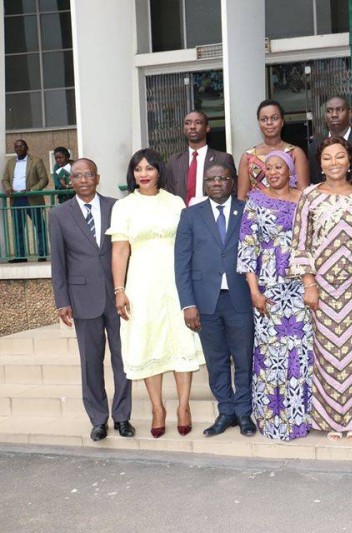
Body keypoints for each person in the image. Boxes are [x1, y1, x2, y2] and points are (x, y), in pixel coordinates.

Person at [108, 148, 205, 439]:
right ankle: (157, 408)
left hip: (176, 282)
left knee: (180, 340)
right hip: (142, 282)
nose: (144, 174)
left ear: (159, 171)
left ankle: (184, 407)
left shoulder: (175, 202)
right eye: (138, 169)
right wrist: (119, 290)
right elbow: (120, 250)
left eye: (149, 168)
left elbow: (190, 245)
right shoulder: (124, 207)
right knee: (150, 341)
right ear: (132, 174)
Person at [290, 137, 352, 442]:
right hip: (323, 289)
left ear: (349, 160)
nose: (333, 163)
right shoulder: (309, 197)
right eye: (327, 158)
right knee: (328, 354)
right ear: (320, 163)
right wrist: (309, 284)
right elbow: (300, 243)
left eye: (339, 156)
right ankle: (331, 420)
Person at [48, 158, 134, 442]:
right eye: (77, 176)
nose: (83, 180)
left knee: (123, 359)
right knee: (91, 362)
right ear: (70, 181)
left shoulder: (116, 207)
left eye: (88, 175)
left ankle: (122, 417)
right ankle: (98, 419)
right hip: (82, 297)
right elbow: (58, 262)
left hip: (117, 294)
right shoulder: (59, 214)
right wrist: (62, 300)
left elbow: (126, 250)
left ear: (98, 178)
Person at [175, 162, 256, 438]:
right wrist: (188, 304)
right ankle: (226, 411)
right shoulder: (190, 216)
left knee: (244, 358)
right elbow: (181, 263)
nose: (217, 183)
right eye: (211, 179)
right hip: (205, 301)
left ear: (232, 182)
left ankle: (245, 413)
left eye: (222, 178)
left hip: (240, 298)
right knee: (216, 360)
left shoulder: (247, 211)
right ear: (204, 184)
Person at [237, 151, 314, 441]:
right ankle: (273, 418)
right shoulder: (255, 200)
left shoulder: (304, 198)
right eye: (268, 168)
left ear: (290, 169)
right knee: (272, 353)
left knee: (302, 350)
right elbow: (247, 248)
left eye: (278, 166)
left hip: (300, 284)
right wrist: (254, 291)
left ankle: (302, 417)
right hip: (268, 287)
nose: (272, 172)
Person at [237, 100, 311, 200]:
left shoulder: (295, 153)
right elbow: (242, 198)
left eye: (274, 118)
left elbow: (303, 195)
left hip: (289, 212)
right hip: (257, 213)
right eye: (264, 119)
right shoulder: (248, 157)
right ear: (259, 123)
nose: (269, 123)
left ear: (282, 122)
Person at [163, 110, 236, 206]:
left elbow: (233, 191)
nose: (192, 127)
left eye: (198, 123)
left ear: (207, 128)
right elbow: (169, 193)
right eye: (187, 123)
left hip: (213, 216)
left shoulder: (223, 159)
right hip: (182, 216)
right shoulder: (174, 160)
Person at [308, 96, 352, 184]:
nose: (334, 115)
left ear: (350, 113)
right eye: (329, 111)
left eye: (340, 109)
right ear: (325, 116)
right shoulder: (314, 147)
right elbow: (315, 179)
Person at [2, 139, 49, 262]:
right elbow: (5, 179)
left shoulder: (36, 161)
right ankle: (20, 256)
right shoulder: (11, 162)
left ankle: (42, 254)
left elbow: (44, 179)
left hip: (32, 198)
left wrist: (32, 189)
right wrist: (8, 188)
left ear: (27, 147)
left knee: (39, 226)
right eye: (16, 146)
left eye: (21, 146)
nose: (19, 148)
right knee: (18, 229)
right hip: (16, 199)